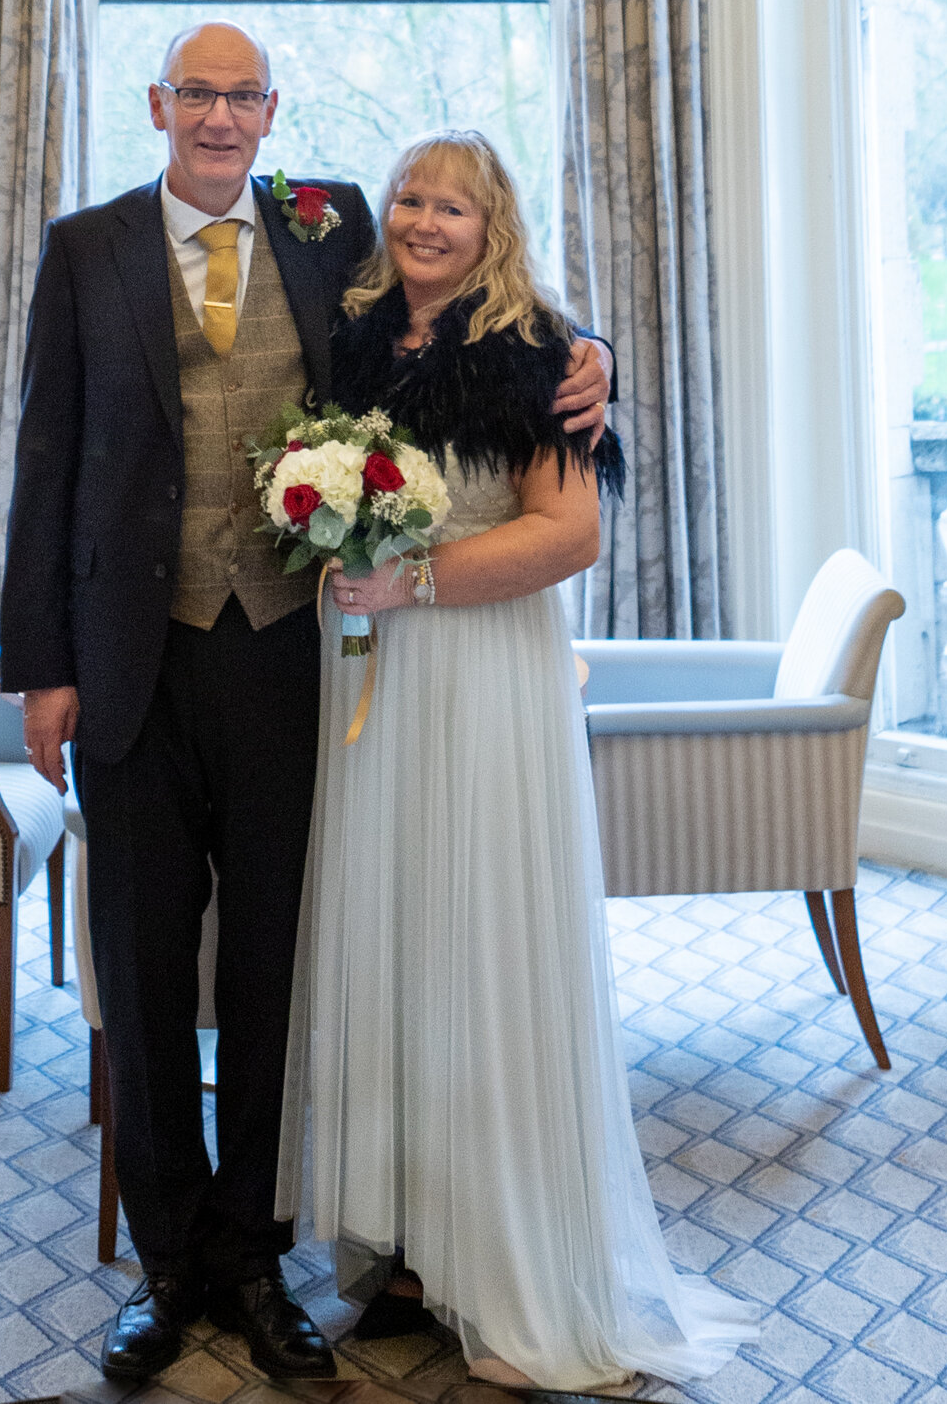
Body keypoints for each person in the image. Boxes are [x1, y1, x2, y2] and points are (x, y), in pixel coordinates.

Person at [0, 29, 613, 1393]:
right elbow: (41, 455)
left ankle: (258, 1251)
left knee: (283, 965)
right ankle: (167, 1268)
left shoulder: (330, 225)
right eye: (196, 94)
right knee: (146, 971)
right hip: (130, 660)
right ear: (159, 106)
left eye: (243, 95)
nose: (219, 117)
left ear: (272, 113)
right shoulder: (84, 247)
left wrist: (592, 353)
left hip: (290, 658)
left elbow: (467, 297)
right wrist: (40, 666)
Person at [283, 128, 757, 1396]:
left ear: (494, 229)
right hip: (378, 692)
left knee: (480, 950)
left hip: (485, 682)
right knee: (393, 951)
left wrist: (416, 579)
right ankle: (405, 1253)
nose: (425, 221)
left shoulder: (542, 358)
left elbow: (570, 535)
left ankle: (504, 1262)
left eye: (454, 206)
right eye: (408, 199)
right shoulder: (359, 336)